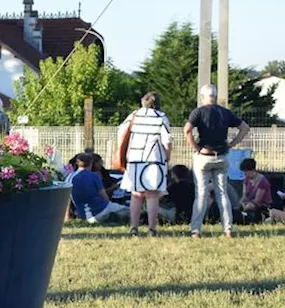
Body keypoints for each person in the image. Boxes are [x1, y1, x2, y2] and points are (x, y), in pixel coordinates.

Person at [184, 83, 250, 239]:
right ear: (215, 96)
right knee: (222, 193)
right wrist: (231, 144)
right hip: (222, 156)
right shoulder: (225, 113)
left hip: (203, 156)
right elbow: (245, 128)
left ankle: (196, 230)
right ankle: (227, 229)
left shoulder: (198, 112)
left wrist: (197, 148)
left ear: (203, 97)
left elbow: (187, 130)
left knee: (201, 194)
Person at [117, 91, 172, 237]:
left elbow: (121, 132)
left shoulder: (134, 116)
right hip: (154, 158)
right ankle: (152, 229)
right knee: (152, 195)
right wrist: (167, 157)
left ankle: (134, 227)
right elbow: (167, 141)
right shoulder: (161, 118)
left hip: (134, 158)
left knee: (136, 195)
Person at [69, 153, 128, 223]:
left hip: (83, 215)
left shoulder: (70, 177)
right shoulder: (94, 176)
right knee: (127, 210)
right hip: (100, 210)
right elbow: (103, 195)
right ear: (91, 163)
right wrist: (109, 202)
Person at [238, 157, 272, 223]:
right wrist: (241, 203)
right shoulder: (246, 180)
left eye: (246, 171)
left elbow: (257, 200)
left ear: (252, 170)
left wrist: (247, 205)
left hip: (262, 206)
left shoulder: (262, 181)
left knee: (250, 206)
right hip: (249, 203)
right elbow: (244, 196)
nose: (245, 174)